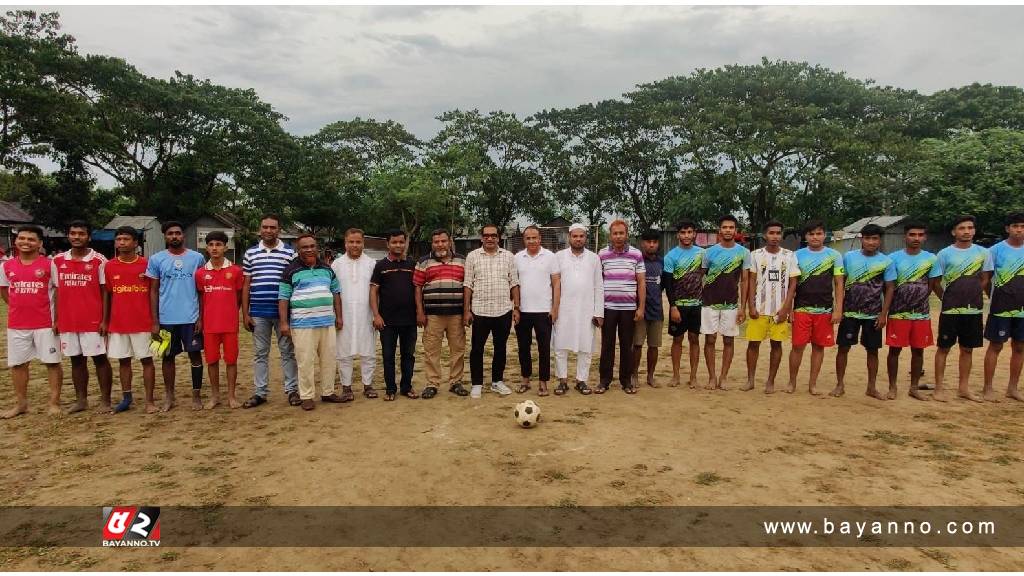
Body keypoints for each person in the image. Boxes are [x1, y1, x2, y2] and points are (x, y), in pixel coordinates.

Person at [0, 225, 62, 418]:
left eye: (31, 239)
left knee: (52, 363)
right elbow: (4, 291)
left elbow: (59, 292)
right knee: (18, 365)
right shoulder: (6, 266)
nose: (26, 242)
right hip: (17, 324)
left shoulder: (49, 264)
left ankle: (54, 402)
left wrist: (57, 319)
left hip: (45, 323)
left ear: (40, 244)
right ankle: (21, 404)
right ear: (16, 240)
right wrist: (19, 308)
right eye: (22, 238)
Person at [278, 234, 344, 410]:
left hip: (327, 322)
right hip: (302, 324)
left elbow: (336, 293)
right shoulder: (290, 270)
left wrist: (339, 316)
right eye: (304, 247)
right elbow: (283, 298)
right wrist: (284, 323)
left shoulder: (327, 269)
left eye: (312, 246)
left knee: (329, 359)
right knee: (305, 361)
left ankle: (328, 392)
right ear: (298, 250)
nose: (309, 250)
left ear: (317, 247)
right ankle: (307, 396)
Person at [53, 220, 113, 413]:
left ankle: (105, 400)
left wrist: (105, 319)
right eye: (73, 233)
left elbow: (105, 291)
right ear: (68, 235)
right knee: (76, 361)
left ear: (88, 236)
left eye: (81, 233)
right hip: (69, 320)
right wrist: (56, 319)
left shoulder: (99, 260)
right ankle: (81, 400)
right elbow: (56, 291)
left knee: (99, 359)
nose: (76, 237)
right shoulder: (58, 260)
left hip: (93, 320)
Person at [146, 221, 206, 411]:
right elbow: (153, 291)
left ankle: (196, 397)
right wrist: (155, 321)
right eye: (170, 233)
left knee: (195, 356)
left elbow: (202, 291)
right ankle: (169, 396)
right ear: (165, 237)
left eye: (178, 233)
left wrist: (201, 317)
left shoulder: (197, 258)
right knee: (167, 357)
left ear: (183, 236)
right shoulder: (156, 259)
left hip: (191, 318)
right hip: (165, 320)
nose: (174, 236)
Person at [241, 214, 299, 409]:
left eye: (272, 227)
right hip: (258, 312)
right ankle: (260, 392)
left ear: (279, 230)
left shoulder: (290, 253)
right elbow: (246, 284)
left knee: (287, 352)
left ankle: (292, 390)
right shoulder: (251, 253)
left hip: (284, 313)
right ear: (260, 229)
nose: (268, 230)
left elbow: (294, 282)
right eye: (265, 227)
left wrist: (291, 313)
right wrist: (245, 313)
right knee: (260, 353)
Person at [933, 215, 993, 402]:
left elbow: (985, 278)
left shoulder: (983, 253)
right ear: (954, 232)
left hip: (973, 311)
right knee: (944, 348)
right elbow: (935, 282)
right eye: (961, 228)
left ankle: (963, 388)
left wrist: (973, 293)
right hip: (950, 311)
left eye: (970, 228)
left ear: (974, 230)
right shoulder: (944, 254)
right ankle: (939, 388)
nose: (966, 231)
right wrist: (947, 298)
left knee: (967, 349)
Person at [833, 224, 894, 399]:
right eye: (867, 238)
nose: (871, 242)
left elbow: (889, 288)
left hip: (873, 314)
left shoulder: (886, 262)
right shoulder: (849, 258)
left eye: (875, 238)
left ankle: (871, 387)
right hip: (849, 313)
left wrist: (883, 314)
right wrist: (839, 308)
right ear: (861, 239)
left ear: (879, 241)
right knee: (843, 348)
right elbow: (840, 283)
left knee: (872, 351)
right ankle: (839, 384)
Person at [884, 221, 942, 401]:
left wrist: (920, 298)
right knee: (894, 350)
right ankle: (892, 387)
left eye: (920, 235)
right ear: (905, 236)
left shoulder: (931, 259)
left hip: (921, 314)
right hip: (897, 313)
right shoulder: (892, 258)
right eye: (912, 234)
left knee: (918, 351)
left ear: (924, 237)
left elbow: (933, 285)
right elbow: (889, 286)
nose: (916, 238)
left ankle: (914, 387)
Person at [103, 226, 157, 413]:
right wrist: (105, 321)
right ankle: (127, 398)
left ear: (135, 243)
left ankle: (149, 401)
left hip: (143, 323)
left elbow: (153, 293)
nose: (121, 242)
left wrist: (155, 321)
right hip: (118, 323)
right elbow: (108, 295)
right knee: (123, 361)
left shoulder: (147, 264)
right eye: (118, 239)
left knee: (147, 361)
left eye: (126, 239)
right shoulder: (109, 266)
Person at [787, 220, 844, 395]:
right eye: (811, 234)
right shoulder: (796, 255)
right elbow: (791, 285)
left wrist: (838, 309)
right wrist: (789, 309)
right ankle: (792, 382)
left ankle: (812, 384)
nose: (815, 237)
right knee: (797, 347)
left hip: (825, 310)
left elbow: (838, 284)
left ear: (824, 235)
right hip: (801, 309)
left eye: (819, 233)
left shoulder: (835, 256)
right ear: (806, 236)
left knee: (818, 347)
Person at [463, 224, 520, 398]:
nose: (489, 238)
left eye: (493, 235)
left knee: (500, 348)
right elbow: (467, 284)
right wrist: (467, 310)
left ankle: (497, 381)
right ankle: (477, 383)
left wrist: (516, 307)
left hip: (503, 310)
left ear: (498, 238)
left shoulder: (508, 256)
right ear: (481, 238)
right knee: (477, 349)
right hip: (480, 310)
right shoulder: (472, 256)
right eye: (486, 235)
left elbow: (514, 283)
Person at [743, 220, 799, 394]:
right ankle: (750, 380)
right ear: (764, 235)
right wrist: (751, 306)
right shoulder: (755, 255)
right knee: (753, 344)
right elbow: (751, 281)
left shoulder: (789, 255)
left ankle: (770, 381)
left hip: (779, 311)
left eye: (778, 233)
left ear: (781, 235)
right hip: (759, 310)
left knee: (777, 345)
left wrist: (786, 309)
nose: (775, 236)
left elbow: (793, 284)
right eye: (771, 233)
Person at [414, 229, 468, 398]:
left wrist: (467, 311)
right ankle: (432, 383)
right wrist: (420, 312)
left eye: (443, 241)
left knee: (458, 349)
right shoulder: (423, 262)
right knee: (431, 350)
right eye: (436, 242)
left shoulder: (462, 260)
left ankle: (456, 382)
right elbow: (417, 287)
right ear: (432, 243)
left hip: (456, 314)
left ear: (450, 241)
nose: (440, 245)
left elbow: (468, 286)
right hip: (432, 315)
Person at [700, 215, 750, 391]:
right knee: (710, 339)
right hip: (709, 303)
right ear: (719, 230)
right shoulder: (709, 252)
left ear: (735, 231)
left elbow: (745, 281)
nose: (728, 230)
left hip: (731, 304)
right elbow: (701, 275)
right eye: (725, 227)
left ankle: (724, 377)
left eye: (731, 227)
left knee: (729, 340)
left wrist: (742, 307)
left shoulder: (743, 253)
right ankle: (712, 377)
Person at [551, 224, 603, 395]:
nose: (578, 239)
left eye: (581, 236)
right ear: (569, 237)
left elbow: (599, 286)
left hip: (587, 309)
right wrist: (554, 308)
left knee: (586, 346)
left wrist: (598, 312)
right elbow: (554, 284)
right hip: (564, 309)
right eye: (575, 236)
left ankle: (582, 380)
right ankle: (562, 380)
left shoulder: (594, 258)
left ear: (586, 238)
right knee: (560, 345)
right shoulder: (558, 257)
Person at [195, 231, 244, 409]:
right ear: (206, 248)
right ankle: (215, 396)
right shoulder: (200, 273)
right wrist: (201, 319)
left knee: (231, 361)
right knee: (212, 361)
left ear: (226, 247)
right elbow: (201, 298)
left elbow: (239, 296)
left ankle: (231, 396)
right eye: (211, 245)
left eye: (219, 244)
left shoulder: (236, 271)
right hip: (209, 325)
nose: (215, 248)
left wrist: (233, 313)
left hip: (230, 324)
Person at [597, 219, 645, 394]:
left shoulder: (636, 254)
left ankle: (626, 381)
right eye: (615, 233)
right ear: (610, 235)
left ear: (627, 234)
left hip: (628, 308)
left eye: (621, 233)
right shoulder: (602, 254)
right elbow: (598, 282)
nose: (618, 236)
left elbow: (641, 282)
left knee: (627, 345)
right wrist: (598, 309)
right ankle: (604, 380)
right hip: (608, 308)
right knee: (607, 345)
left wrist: (641, 308)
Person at [371, 229, 419, 401]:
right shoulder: (381, 265)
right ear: (388, 244)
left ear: (405, 243)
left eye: (401, 242)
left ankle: (406, 387)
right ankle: (390, 389)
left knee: (408, 356)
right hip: (387, 321)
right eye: (394, 242)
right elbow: (374, 291)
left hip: (409, 320)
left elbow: (417, 290)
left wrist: (419, 312)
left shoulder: (412, 264)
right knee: (388, 356)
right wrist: (376, 315)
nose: (398, 245)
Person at [332, 228, 378, 402]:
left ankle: (368, 385)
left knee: (368, 351)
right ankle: (346, 387)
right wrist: (336, 315)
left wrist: (376, 314)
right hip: (344, 315)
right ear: (345, 242)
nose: (355, 245)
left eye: (358, 242)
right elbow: (333, 292)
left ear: (363, 243)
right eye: (351, 242)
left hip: (366, 314)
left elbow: (376, 291)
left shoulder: (372, 264)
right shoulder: (337, 264)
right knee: (343, 352)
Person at [982, 212, 1024, 402]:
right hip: (1000, 307)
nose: (1019, 230)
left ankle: (1012, 388)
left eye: (1022, 226)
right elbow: (986, 279)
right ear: (1008, 228)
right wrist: (995, 297)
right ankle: (988, 388)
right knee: (996, 345)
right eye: (1015, 226)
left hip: (1022, 310)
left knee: (1020, 347)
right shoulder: (995, 251)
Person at [514, 225, 561, 396]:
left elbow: (556, 283)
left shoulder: (550, 257)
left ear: (540, 239)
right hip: (523, 311)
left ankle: (543, 383)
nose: (532, 241)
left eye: (535, 238)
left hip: (544, 311)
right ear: (524, 240)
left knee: (544, 349)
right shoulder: (517, 258)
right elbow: (515, 285)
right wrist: (516, 308)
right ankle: (525, 380)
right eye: (528, 238)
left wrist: (554, 308)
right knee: (523, 347)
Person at [663, 219, 704, 388]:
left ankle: (693, 377)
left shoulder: (703, 254)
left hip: (697, 305)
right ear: (678, 234)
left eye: (690, 232)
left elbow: (705, 275)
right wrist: (673, 307)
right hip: (678, 305)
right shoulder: (671, 256)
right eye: (683, 232)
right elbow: (668, 284)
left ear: (694, 234)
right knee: (677, 340)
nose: (686, 236)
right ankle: (676, 375)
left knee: (694, 339)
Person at [631, 230, 666, 389]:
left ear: (658, 244)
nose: (651, 244)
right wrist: (639, 307)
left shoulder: (662, 263)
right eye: (648, 242)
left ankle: (650, 376)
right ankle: (634, 375)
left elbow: (664, 285)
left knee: (654, 345)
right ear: (642, 243)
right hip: (640, 310)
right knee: (637, 344)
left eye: (654, 242)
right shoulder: (637, 261)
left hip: (657, 310)